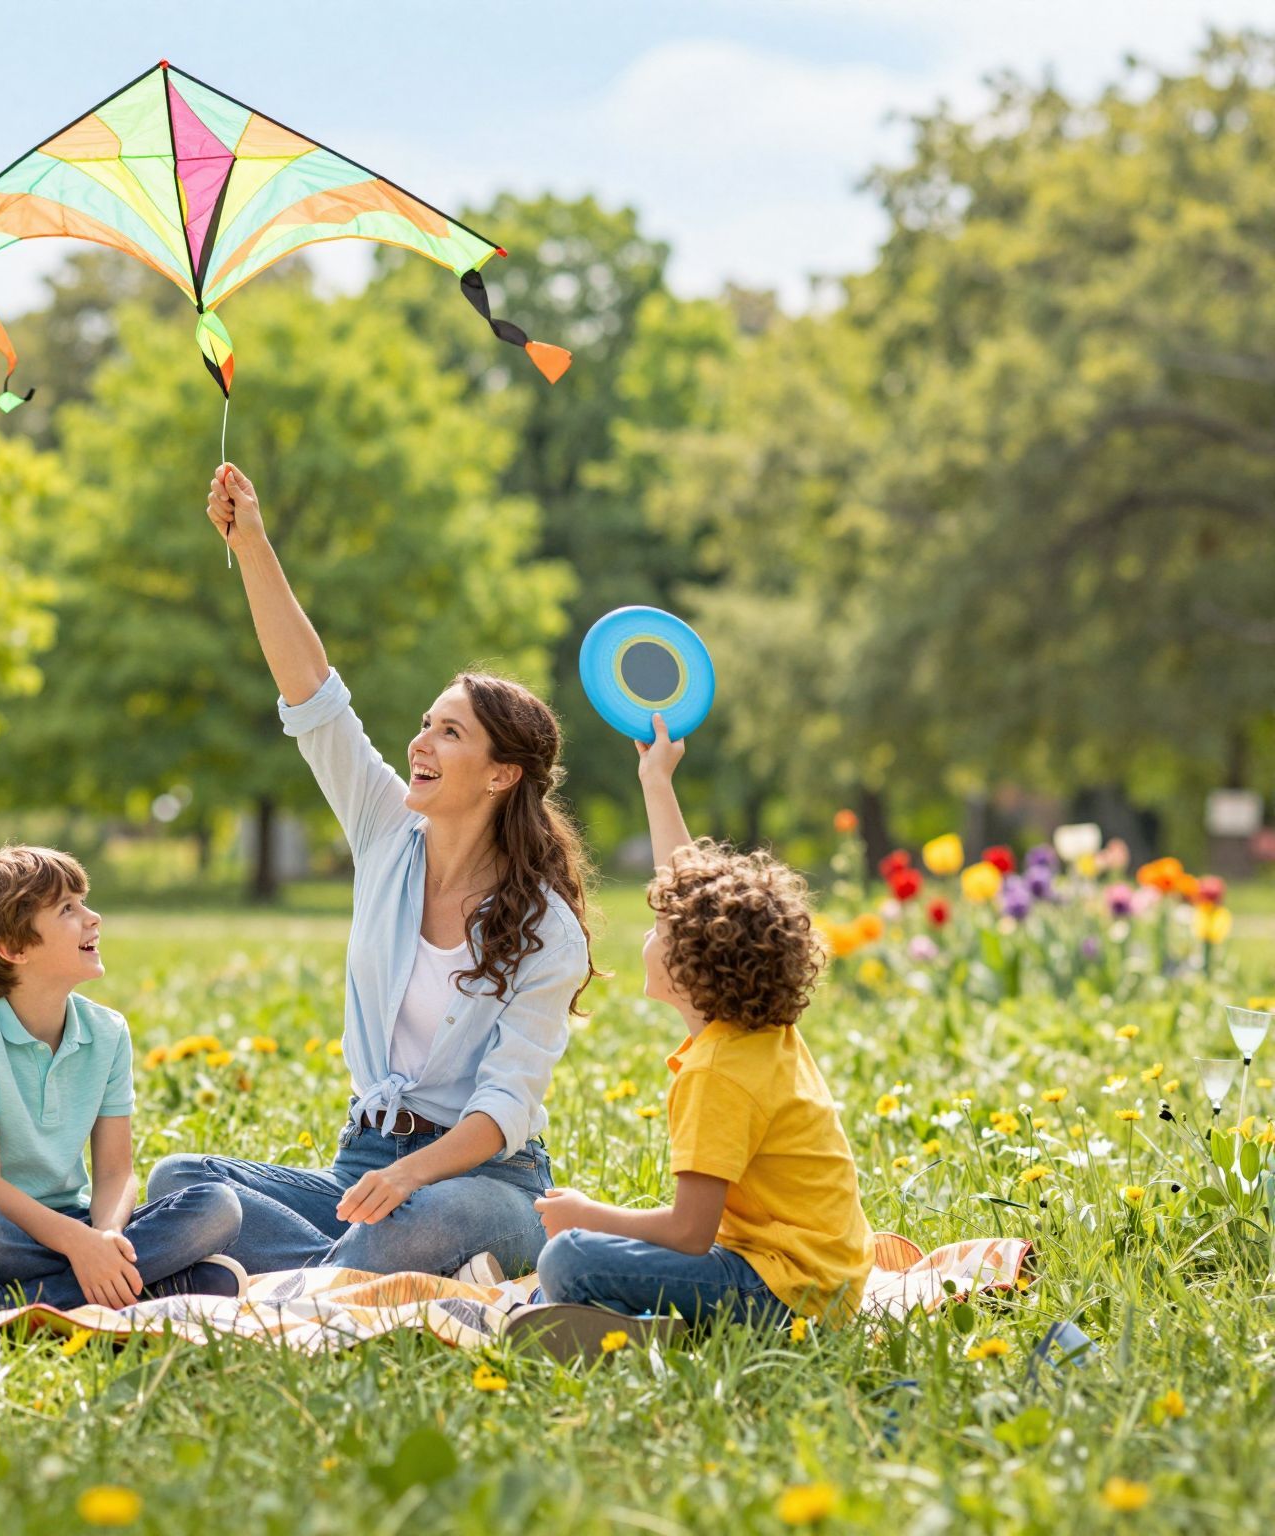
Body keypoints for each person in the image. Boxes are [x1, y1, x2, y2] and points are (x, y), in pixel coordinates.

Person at [148, 465, 596, 1278]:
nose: (420, 743)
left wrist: (411, 1174)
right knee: (184, 1181)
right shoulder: (388, 830)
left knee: (424, 1219)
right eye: (425, 724)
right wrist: (250, 543)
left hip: (481, 1181)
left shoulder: (548, 932)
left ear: (502, 775)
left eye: (450, 733)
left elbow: (503, 1108)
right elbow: (314, 694)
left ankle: (297, 1274)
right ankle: (343, 1271)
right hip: (363, 1168)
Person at [530, 716, 873, 1334]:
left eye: (663, 929)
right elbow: (690, 885)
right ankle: (648, 1323)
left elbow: (689, 1234)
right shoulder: (761, 1033)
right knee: (584, 1253)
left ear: (690, 971)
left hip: (789, 1300)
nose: (651, 924)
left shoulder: (717, 1073)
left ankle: (637, 1332)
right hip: (818, 1281)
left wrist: (589, 1216)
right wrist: (655, 778)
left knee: (570, 1256)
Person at [0, 845, 247, 1315]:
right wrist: (80, 1248)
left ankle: (0, 1302)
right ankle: (143, 1286)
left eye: (83, 902)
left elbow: (114, 1172)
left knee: (218, 1206)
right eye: (68, 909)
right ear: (13, 948)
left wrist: (103, 1238)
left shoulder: (108, 1033)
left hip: (71, 1224)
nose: (93, 917)